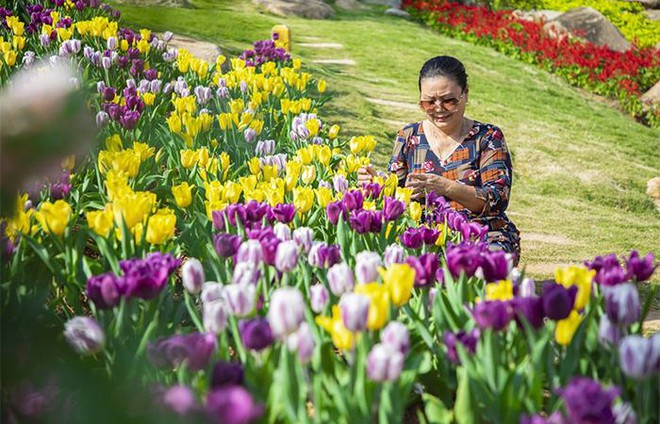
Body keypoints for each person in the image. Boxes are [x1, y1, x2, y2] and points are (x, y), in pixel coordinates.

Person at [358, 55, 521, 264]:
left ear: (466, 94)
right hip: (425, 232)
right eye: (428, 102)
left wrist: (445, 187)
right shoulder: (409, 136)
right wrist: (377, 184)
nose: (438, 108)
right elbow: (397, 195)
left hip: (480, 231)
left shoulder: (487, 137)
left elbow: (497, 199)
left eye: (448, 100)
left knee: (483, 262)